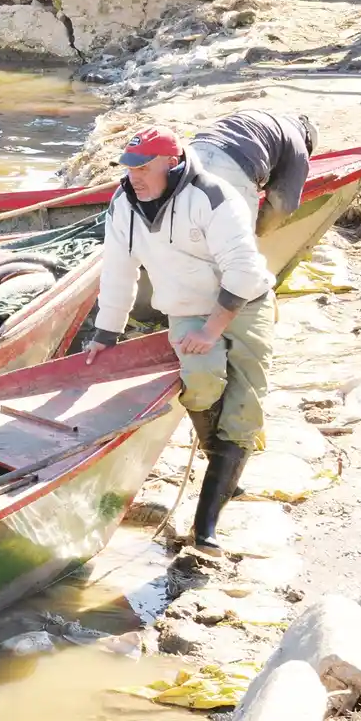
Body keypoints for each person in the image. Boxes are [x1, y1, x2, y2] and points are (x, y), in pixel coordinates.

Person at [83, 126, 276, 559]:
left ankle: (205, 527)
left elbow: (244, 270)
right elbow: (118, 271)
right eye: (129, 167)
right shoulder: (123, 205)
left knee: (244, 410)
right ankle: (222, 464)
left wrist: (212, 331)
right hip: (187, 307)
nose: (134, 176)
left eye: (144, 168)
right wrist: (106, 334)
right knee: (200, 384)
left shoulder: (211, 196)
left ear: (171, 164)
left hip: (244, 304)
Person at [187, 110, 317, 235]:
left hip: (193, 155)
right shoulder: (299, 147)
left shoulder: (264, 121)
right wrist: (259, 231)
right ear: (308, 144)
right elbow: (282, 207)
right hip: (232, 165)